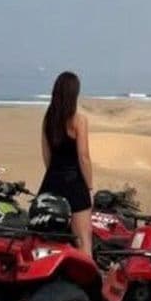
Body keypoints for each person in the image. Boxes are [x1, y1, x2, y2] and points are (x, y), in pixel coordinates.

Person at [39, 72, 93, 256]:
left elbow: (46, 155)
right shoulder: (79, 120)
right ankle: (87, 283)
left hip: (51, 183)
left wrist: (54, 176)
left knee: (48, 240)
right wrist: (89, 186)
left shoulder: (48, 119)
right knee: (83, 240)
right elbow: (83, 156)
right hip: (74, 185)